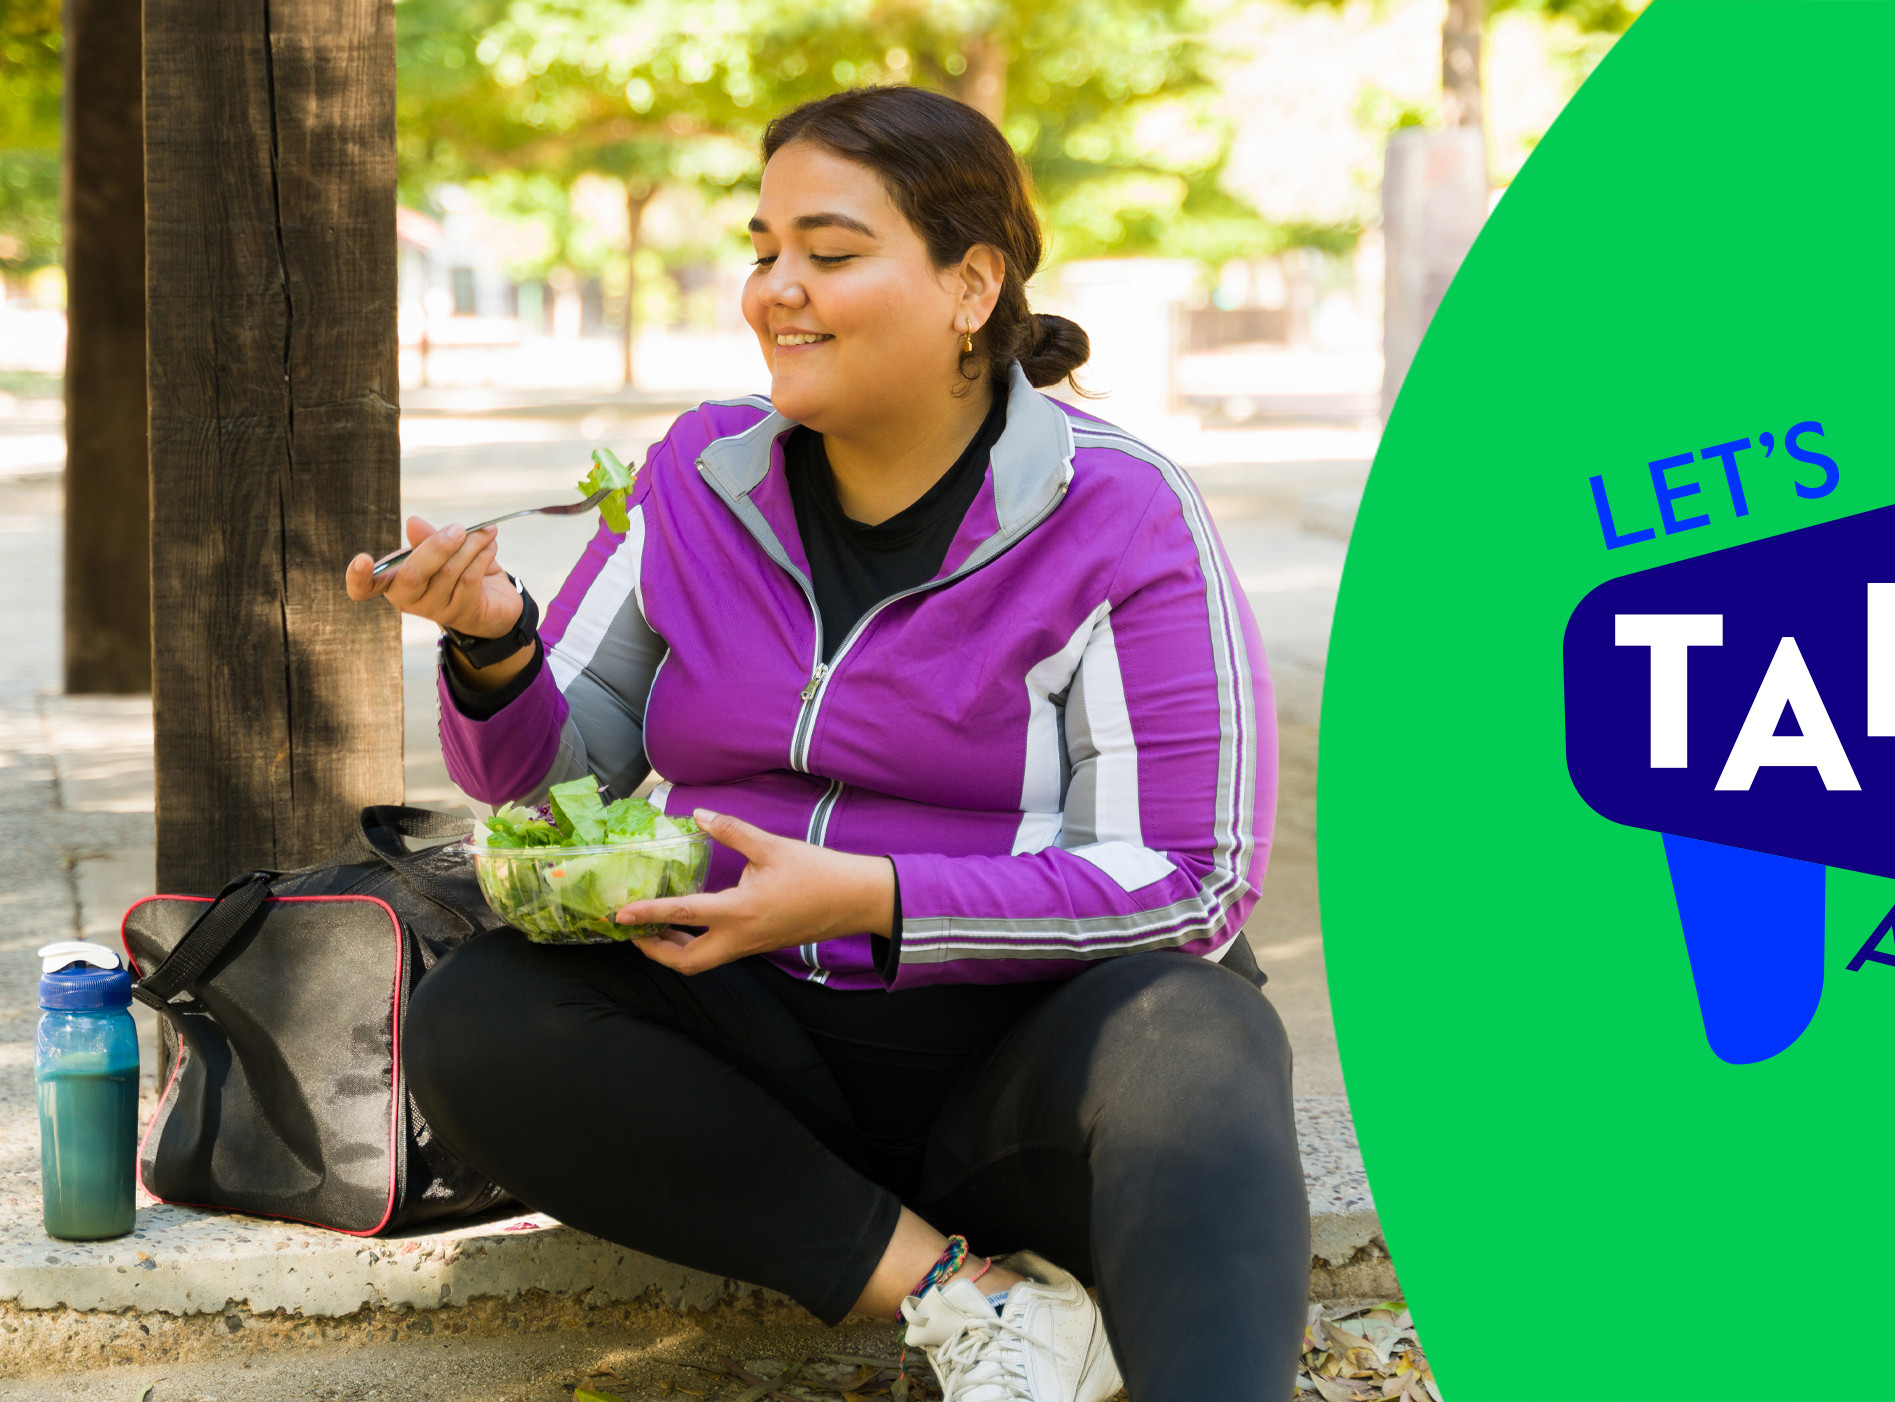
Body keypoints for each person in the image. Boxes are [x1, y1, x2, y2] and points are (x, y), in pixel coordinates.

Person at [345, 86, 1304, 1402]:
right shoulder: (698, 476)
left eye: (831, 253)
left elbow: (1191, 874)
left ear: (972, 286)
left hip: (1017, 1064)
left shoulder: (1119, 515)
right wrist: (494, 637)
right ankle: (969, 1300)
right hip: (762, 1056)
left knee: (1200, 1039)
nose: (774, 291)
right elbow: (552, 782)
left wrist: (882, 898)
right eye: (763, 249)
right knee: (480, 1015)